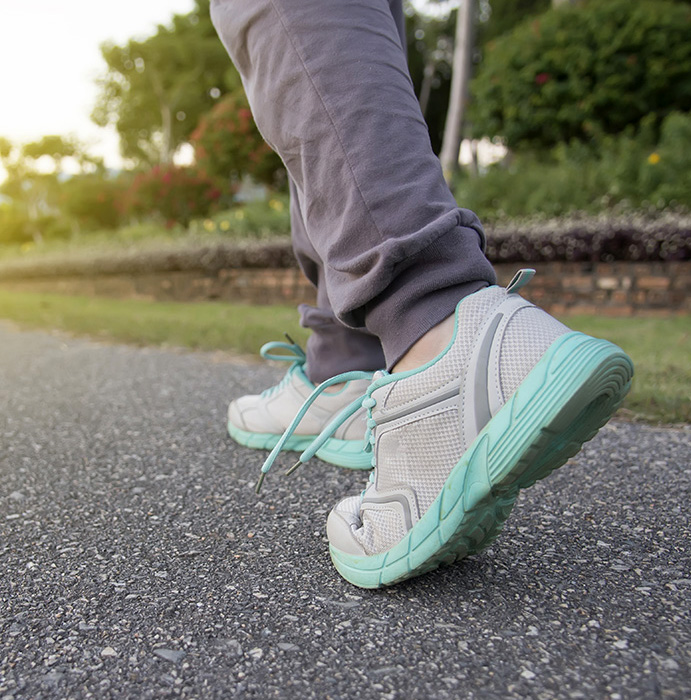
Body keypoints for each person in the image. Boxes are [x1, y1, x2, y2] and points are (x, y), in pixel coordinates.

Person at [213, 0, 634, 588]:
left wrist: (424, 292)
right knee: (339, 40)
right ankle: (347, 359)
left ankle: (436, 329)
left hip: (440, 313)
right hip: (364, 334)